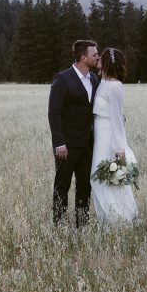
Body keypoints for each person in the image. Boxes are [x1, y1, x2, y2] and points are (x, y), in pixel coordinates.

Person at [48, 39, 100, 227]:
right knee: (62, 187)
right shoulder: (62, 79)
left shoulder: (94, 79)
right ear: (83, 57)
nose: (97, 57)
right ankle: (59, 225)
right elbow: (54, 112)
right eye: (94, 55)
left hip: (87, 145)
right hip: (67, 146)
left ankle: (82, 226)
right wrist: (59, 143)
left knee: (84, 187)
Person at [89, 47, 138, 223]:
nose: (97, 59)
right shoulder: (101, 82)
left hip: (110, 137)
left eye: (100, 57)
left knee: (108, 180)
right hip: (99, 135)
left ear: (108, 61)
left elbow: (118, 119)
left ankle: (118, 221)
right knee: (97, 180)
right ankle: (108, 220)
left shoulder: (115, 87)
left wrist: (119, 148)